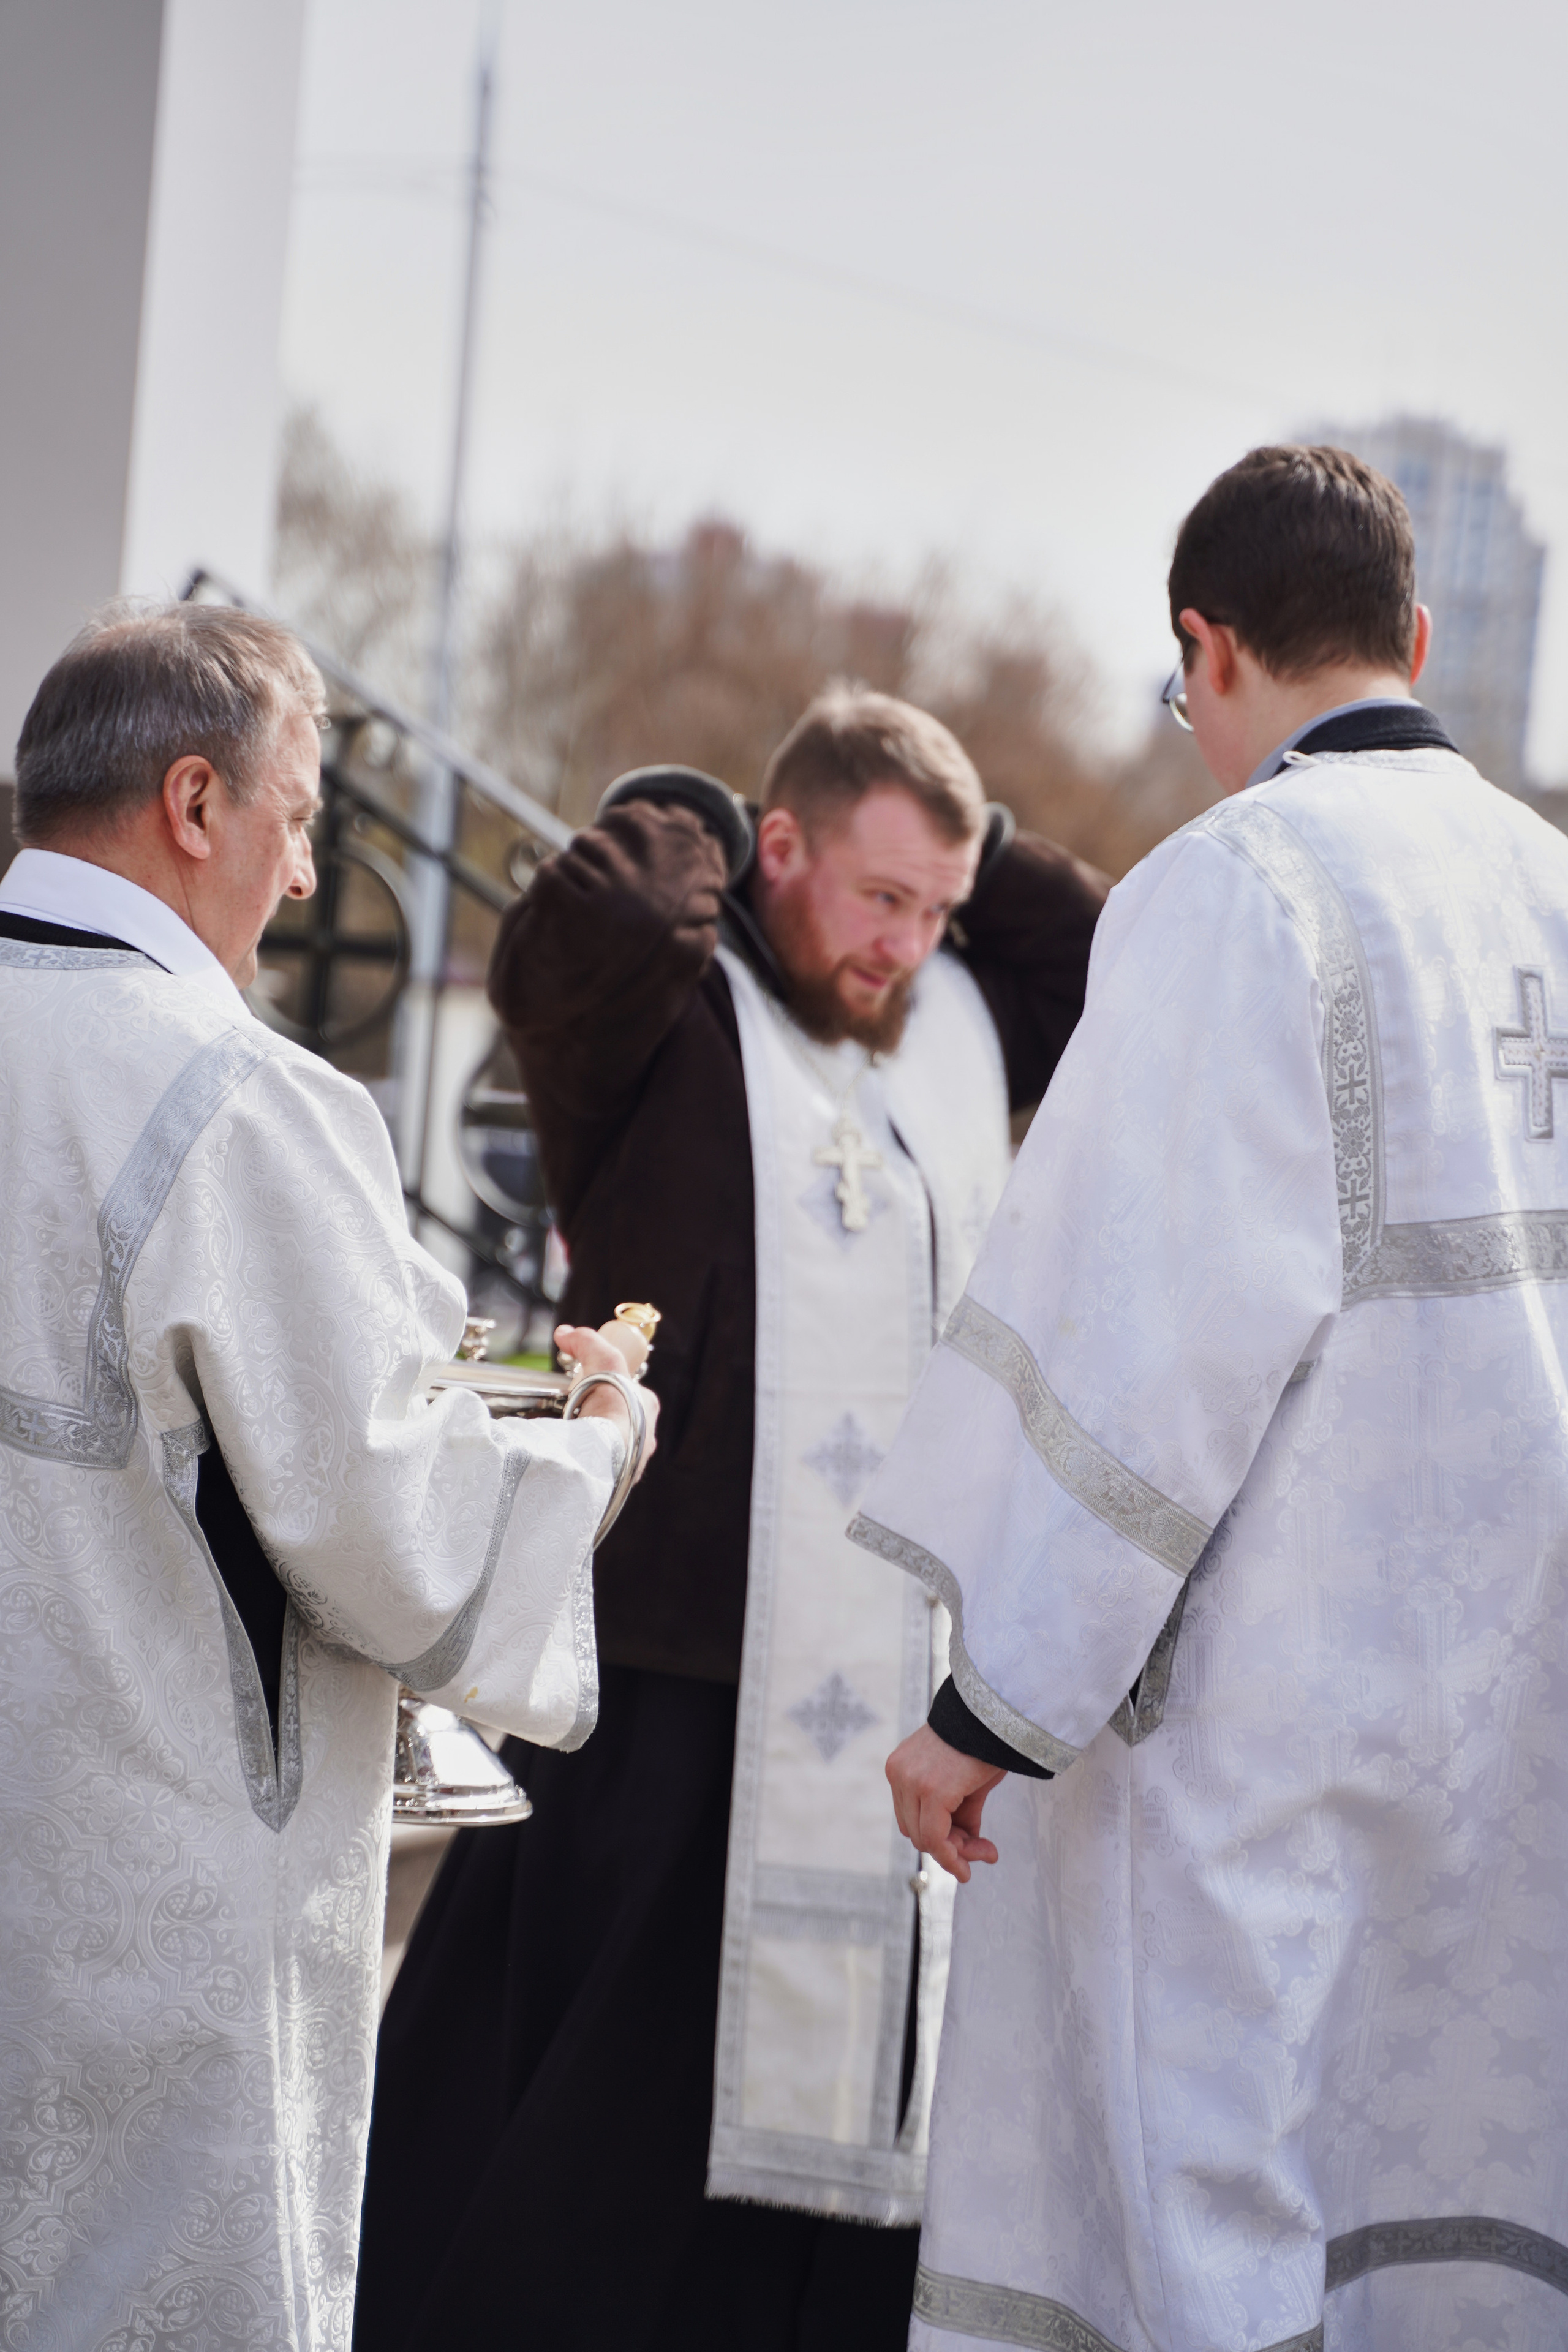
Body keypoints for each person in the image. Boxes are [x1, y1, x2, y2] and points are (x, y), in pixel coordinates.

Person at [869, 444, 1568, 2352]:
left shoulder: (1233, 892)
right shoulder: (1551, 887)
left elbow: (1147, 1354)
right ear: (1415, 637)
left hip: (1269, 1726)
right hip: (1517, 1718)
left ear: (1206, 644)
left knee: (1221, 2224)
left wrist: (989, 1701)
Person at [356, 687, 1107, 2350]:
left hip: (879, 1698)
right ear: (775, 851)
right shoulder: (658, 1018)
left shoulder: (959, 1031)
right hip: (655, 1700)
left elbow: (1088, 948)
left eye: (937, 909)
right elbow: (606, 902)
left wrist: (944, 866)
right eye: (875, 897)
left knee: (821, 2206)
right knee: (581, 2180)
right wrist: (711, 800)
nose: (907, 946)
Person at [0, 603, 655, 2352]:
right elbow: (403, 1544)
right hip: (146, 1912)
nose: (303, 880)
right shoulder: (225, 1097)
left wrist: (490, 1370)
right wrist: (589, 1447)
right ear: (196, 803)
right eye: (298, 820)